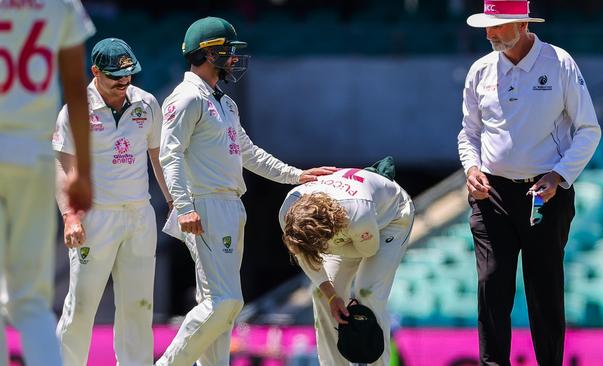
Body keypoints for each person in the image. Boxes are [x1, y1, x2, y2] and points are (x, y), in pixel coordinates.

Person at [156, 16, 337, 365]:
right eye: (228, 52)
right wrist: (184, 206)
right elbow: (170, 155)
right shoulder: (186, 98)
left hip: (229, 205)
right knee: (224, 302)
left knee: (220, 312)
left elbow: (249, 154)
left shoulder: (224, 103)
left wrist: (297, 176)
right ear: (208, 54)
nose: (234, 59)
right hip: (204, 206)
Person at [458, 1, 602, 365]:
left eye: (497, 26)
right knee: (491, 285)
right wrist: (471, 167)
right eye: (487, 26)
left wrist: (559, 175)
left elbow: (589, 130)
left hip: (545, 193)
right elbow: (469, 133)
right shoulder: (480, 70)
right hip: (490, 194)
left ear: (522, 24)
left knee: (544, 289)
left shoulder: (560, 63)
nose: (489, 33)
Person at [52, 38, 172, 366]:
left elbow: (158, 155)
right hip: (96, 218)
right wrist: (70, 217)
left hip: (138, 215)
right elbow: (64, 166)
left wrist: (174, 200)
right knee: (81, 306)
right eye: (116, 77)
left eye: (129, 75)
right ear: (94, 71)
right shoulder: (76, 109)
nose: (124, 83)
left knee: (138, 308)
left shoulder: (146, 103)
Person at [0, 1, 95, 364]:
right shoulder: (61, 3)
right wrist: (82, 171)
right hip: (33, 155)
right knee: (30, 301)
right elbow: (75, 86)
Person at [279, 165, 414, 366]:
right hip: (347, 231)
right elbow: (303, 254)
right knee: (321, 295)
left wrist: (329, 249)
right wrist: (332, 295)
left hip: (391, 219)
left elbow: (368, 251)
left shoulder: (358, 212)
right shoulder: (288, 212)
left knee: (367, 293)